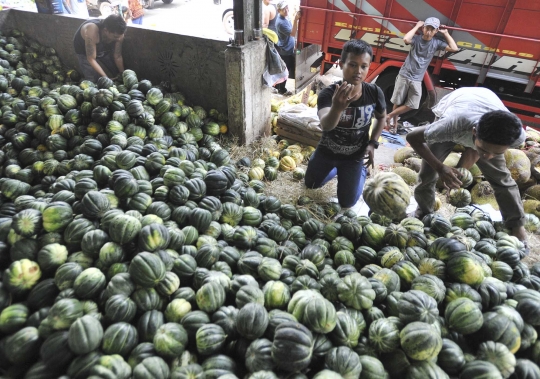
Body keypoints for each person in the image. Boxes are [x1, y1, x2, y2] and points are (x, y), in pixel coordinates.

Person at [406, 87, 529, 252]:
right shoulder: (450, 125)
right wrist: (440, 167)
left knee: (502, 179)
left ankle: (517, 226)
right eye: (484, 150)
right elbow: (412, 137)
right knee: (428, 173)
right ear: (474, 132)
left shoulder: (516, 136)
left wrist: (465, 169)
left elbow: (480, 151)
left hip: (485, 105)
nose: (488, 157)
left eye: (497, 152)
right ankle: (424, 212)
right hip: (457, 105)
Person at [305, 39, 386, 209]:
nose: (358, 71)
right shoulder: (328, 94)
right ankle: (335, 170)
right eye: (352, 65)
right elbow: (326, 126)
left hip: (354, 157)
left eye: (364, 66)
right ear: (342, 65)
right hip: (326, 152)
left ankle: (361, 172)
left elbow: (381, 117)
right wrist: (337, 108)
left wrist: (373, 143)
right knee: (311, 185)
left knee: (347, 202)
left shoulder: (374, 93)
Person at [386, 17, 458, 132]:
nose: (429, 32)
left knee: (413, 104)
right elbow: (406, 39)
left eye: (432, 29)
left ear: (436, 31)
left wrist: (446, 34)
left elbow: (454, 48)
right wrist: (417, 26)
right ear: (423, 28)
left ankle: (389, 116)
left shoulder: (436, 43)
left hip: (417, 79)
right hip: (404, 75)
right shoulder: (416, 39)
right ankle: (393, 125)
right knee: (397, 102)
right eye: (427, 28)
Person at [73, 15, 127, 82]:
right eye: (115, 37)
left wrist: (124, 75)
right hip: (84, 50)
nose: (119, 39)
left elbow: (117, 56)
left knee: (115, 71)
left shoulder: (119, 35)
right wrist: (107, 79)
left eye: (120, 36)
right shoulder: (92, 31)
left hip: (103, 47)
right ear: (106, 31)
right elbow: (91, 59)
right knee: (92, 78)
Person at [275, 0, 300, 96]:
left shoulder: (285, 17)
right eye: (283, 9)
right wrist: (296, 20)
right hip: (285, 51)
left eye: (286, 7)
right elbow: (293, 33)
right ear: (279, 11)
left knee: (285, 70)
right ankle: (282, 89)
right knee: (285, 71)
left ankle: (278, 87)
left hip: (288, 48)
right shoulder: (281, 22)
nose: (286, 10)